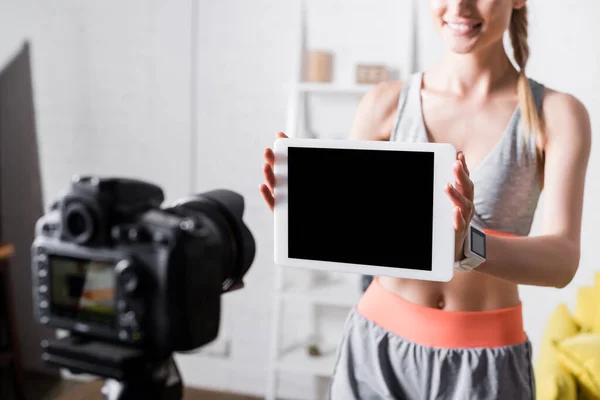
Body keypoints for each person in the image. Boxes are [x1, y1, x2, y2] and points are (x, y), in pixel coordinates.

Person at [260, 0, 591, 398]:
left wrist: (469, 245)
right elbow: (357, 234)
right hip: (376, 346)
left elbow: (562, 261)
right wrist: (309, 213)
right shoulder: (384, 103)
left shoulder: (556, 114)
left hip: (485, 361)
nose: (460, 6)